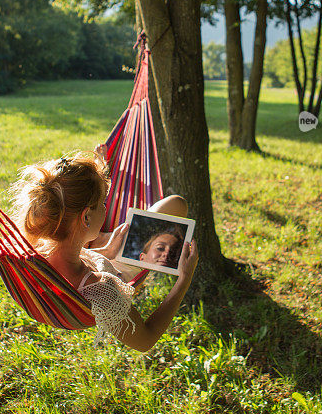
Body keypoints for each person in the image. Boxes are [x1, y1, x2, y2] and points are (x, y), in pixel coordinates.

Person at [10, 148, 198, 352]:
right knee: (177, 205)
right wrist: (183, 280)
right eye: (102, 203)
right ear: (86, 217)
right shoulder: (102, 290)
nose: (106, 208)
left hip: (101, 254)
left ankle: (106, 239)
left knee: (174, 203)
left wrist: (106, 251)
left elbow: (74, 264)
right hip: (118, 270)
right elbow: (146, 340)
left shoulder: (38, 249)